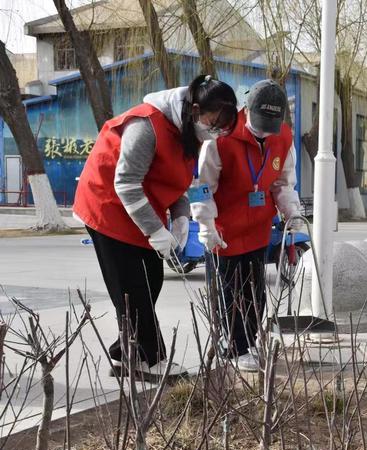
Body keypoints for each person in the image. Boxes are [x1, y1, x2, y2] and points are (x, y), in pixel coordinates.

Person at [73, 75, 238, 379]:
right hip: (107, 206)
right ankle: (149, 360)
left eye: (220, 128)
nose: (213, 132)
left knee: (153, 280)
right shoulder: (147, 125)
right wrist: (154, 230)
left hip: (140, 209)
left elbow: (181, 181)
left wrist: (179, 219)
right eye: (212, 123)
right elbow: (125, 183)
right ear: (195, 109)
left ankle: (126, 353)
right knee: (134, 287)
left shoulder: (188, 133)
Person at [192, 79, 302, 372]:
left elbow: (282, 182)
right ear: (246, 109)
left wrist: (291, 211)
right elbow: (202, 186)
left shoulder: (283, 138)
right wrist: (206, 225)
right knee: (228, 293)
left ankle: (248, 342)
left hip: (258, 230)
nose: (265, 130)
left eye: (272, 124)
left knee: (255, 292)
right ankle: (234, 348)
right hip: (223, 233)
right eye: (260, 121)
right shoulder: (221, 138)